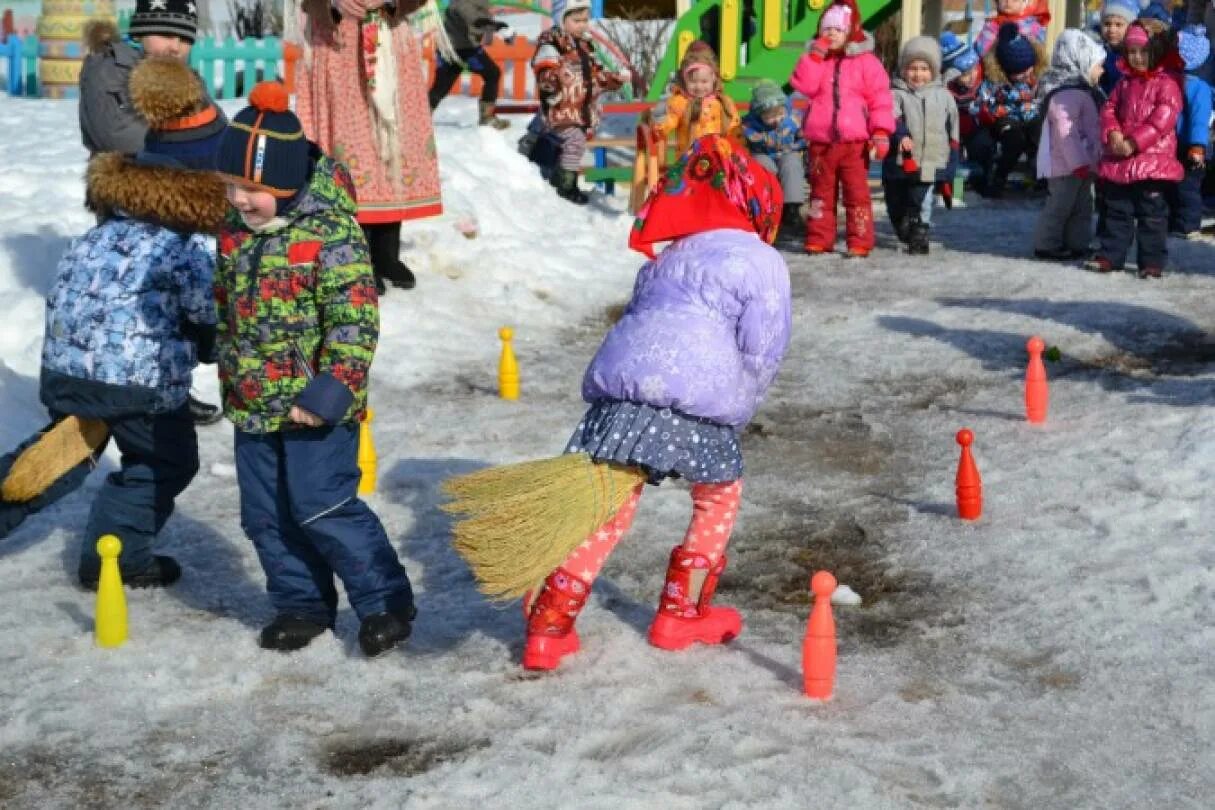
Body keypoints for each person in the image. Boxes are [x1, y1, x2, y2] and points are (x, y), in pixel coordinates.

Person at [521, 136, 790, 671]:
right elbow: (764, 345)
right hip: (694, 402)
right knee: (717, 495)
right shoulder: (760, 259)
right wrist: (743, 400)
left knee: (609, 508)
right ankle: (681, 613)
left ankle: (550, 623)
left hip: (622, 398)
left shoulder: (669, 256)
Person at [0, 58, 226, 585]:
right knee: (164, 463)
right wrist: (219, 341)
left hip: (69, 371)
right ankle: (118, 562)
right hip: (138, 384)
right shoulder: (185, 243)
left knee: (62, 453)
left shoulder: (104, 230)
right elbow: (208, 312)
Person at [212, 83, 417, 656]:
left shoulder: (330, 233)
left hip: (315, 406)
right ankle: (301, 604)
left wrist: (330, 389)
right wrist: (216, 343)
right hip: (253, 401)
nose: (240, 200)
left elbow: (355, 321)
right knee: (266, 517)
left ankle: (384, 602)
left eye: (253, 189)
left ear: (285, 183)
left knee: (322, 506)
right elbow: (227, 303)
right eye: (231, 186)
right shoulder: (234, 234)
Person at [79, 0, 224, 426]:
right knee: (133, 304)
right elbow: (116, 134)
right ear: (141, 29)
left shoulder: (182, 76)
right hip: (129, 201)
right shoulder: (108, 66)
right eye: (166, 34)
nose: (175, 46)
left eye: (184, 38)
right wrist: (189, 145)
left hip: (179, 201)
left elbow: (210, 124)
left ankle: (173, 385)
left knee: (175, 301)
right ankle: (121, 386)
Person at [289, 0, 445, 294]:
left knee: (390, 142)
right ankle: (357, 253)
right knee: (351, 149)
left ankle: (387, 251)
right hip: (339, 47)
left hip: (388, 37)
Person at [789, 0, 894, 257]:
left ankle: (859, 240)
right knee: (820, 194)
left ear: (851, 32)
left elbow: (880, 98)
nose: (831, 34)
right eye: (826, 29)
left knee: (857, 194)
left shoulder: (866, 63)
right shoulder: (817, 61)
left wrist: (880, 131)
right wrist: (815, 57)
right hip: (821, 143)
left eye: (837, 29)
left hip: (854, 144)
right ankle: (819, 238)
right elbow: (805, 85)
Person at [1085, 19, 1183, 278]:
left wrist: (1134, 142)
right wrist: (1113, 132)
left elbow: (1162, 120)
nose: (1137, 58)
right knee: (1117, 211)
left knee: (1152, 217)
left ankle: (1151, 261)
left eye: (1143, 52)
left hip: (1152, 162)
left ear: (1157, 52)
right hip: (1121, 160)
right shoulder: (1124, 83)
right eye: (1132, 52)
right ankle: (1110, 255)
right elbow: (1109, 109)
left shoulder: (1167, 84)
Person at [531, 0, 627, 204]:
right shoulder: (552, 43)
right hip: (560, 107)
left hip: (580, 110)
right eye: (576, 20)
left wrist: (615, 79)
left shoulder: (584, 45)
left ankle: (549, 166)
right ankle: (565, 186)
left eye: (585, 20)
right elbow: (544, 69)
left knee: (571, 144)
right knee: (575, 141)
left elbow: (596, 75)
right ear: (561, 19)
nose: (583, 25)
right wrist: (551, 87)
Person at [1033, 29, 1106, 260]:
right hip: (1067, 165)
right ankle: (1047, 244)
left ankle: (1078, 242)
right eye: (1097, 64)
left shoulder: (1083, 91)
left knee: (1082, 207)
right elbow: (1067, 132)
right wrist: (1078, 163)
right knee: (1061, 206)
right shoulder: (1067, 94)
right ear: (1080, 62)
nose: (1101, 70)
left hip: (1084, 164)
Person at [884, 37, 959, 256]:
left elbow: (953, 130)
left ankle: (920, 232)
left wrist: (951, 162)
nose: (918, 74)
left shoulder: (944, 97)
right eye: (913, 68)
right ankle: (903, 225)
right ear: (904, 69)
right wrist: (900, 135)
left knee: (923, 201)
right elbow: (890, 118)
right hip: (899, 163)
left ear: (934, 71)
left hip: (930, 161)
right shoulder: (896, 94)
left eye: (924, 69)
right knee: (896, 202)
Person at [969, 22, 1047, 197]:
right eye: (1020, 73)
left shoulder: (1037, 79)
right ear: (1007, 70)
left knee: (1040, 135)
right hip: (1006, 117)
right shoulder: (996, 82)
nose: (1027, 75)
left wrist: (1037, 103)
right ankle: (999, 177)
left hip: (1032, 115)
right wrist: (992, 111)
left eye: (1029, 69)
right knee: (1014, 140)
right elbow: (982, 102)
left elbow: (1045, 98)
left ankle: (1041, 175)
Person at [428, 0, 511, 129]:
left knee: (492, 73)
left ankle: (487, 117)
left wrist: (497, 28)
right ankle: (420, 118)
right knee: (441, 87)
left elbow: (482, 22)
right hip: (452, 49)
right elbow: (475, 19)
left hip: (467, 47)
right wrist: (493, 25)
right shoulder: (462, 3)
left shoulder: (479, 3)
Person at [651, 40, 741, 156]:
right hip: (690, 157)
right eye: (693, 81)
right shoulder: (680, 102)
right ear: (685, 80)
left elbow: (733, 126)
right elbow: (668, 123)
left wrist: (733, 146)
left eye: (704, 81)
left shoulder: (723, 102)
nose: (699, 87)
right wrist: (660, 120)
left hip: (718, 156)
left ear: (713, 79)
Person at [741, 79, 806, 232]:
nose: (776, 120)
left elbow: (804, 136)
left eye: (780, 114)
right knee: (762, 166)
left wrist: (799, 144)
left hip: (787, 151)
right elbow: (746, 138)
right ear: (759, 115)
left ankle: (792, 208)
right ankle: (766, 207)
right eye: (770, 117)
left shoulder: (793, 120)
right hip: (762, 153)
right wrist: (756, 140)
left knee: (792, 164)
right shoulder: (750, 125)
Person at [1167, 24, 1211, 236]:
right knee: (1172, 185)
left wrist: (1197, 145)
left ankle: (1188, 224)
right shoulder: (1172, 81)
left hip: (1190, 145)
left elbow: (1199, 121)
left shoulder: (1198, 88)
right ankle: (1174, 220)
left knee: (1187, 187)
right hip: (1173, 142)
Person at [972, 0, 1049, 58]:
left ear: (1023, 2)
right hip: (997, 73)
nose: (1008, 2)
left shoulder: (1032, 25)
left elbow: (1040, 51)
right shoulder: (992, 26)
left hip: (1025, 71)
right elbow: (980, 51)